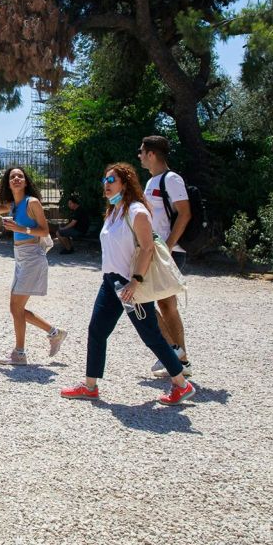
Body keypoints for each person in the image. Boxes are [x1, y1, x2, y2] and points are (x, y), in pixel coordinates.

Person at [60, 163, 196, 405]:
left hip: (128, 285)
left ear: (125, 183)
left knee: (150, 335)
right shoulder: (113, 211)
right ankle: (90, 386)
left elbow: (147, 247)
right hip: (110, 282)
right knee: (97, 330)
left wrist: (135, 281)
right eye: (104, 181)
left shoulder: (136, 211)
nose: (106, 185)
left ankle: (181, 384)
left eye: (111, 180)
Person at [0, 166, 67, 364]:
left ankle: (20, 353)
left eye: (20, 176)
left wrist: (20, 228)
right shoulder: (12, 205)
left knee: (16, 307)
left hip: (33, 256)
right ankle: (54, 333)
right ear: (8, 183)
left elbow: (45, 231)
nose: (17, 178)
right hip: (20, 257)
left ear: (26, 182)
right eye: (12, 177)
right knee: (15, 308)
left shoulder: (32, 202)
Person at [138, 136, 192, 377]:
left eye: (142, 152)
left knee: (145, 300)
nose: (139, 155)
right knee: (165, 304)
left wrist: (168, 247)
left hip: (167, 251)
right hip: (159, 249)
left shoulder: (171, 179)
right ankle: (181, 359)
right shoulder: (153, 181)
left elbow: (185, 214)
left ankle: (173, 351)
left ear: (151, 154)